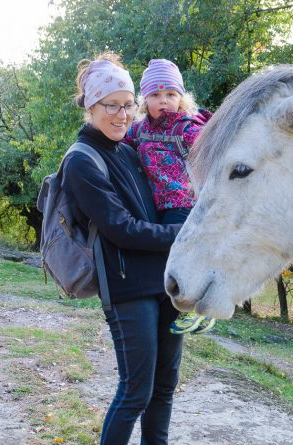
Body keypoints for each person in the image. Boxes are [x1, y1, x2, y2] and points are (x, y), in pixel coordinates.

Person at [66, 52, 183, 445]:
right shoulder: (82, 160)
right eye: (111, 106)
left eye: (129, 105)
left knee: (164, 388)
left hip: (163, 283)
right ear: (90, 106)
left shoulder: (131, 151)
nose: (122, 114)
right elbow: (122, 229)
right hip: (127, 287)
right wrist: (183, 236)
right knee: (135, 392)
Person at [123, 58, 215, 335]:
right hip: (158, 204)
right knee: (165, 261)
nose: (164, 101)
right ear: (144, 100)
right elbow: (119, 143)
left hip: (185, 202)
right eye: (155, 95)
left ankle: (203, 308)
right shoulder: (140, 130)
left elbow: (213, 147)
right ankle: (176, 307)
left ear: (181, 99)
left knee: (178, 258)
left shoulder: (185, 128)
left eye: (171, 95)